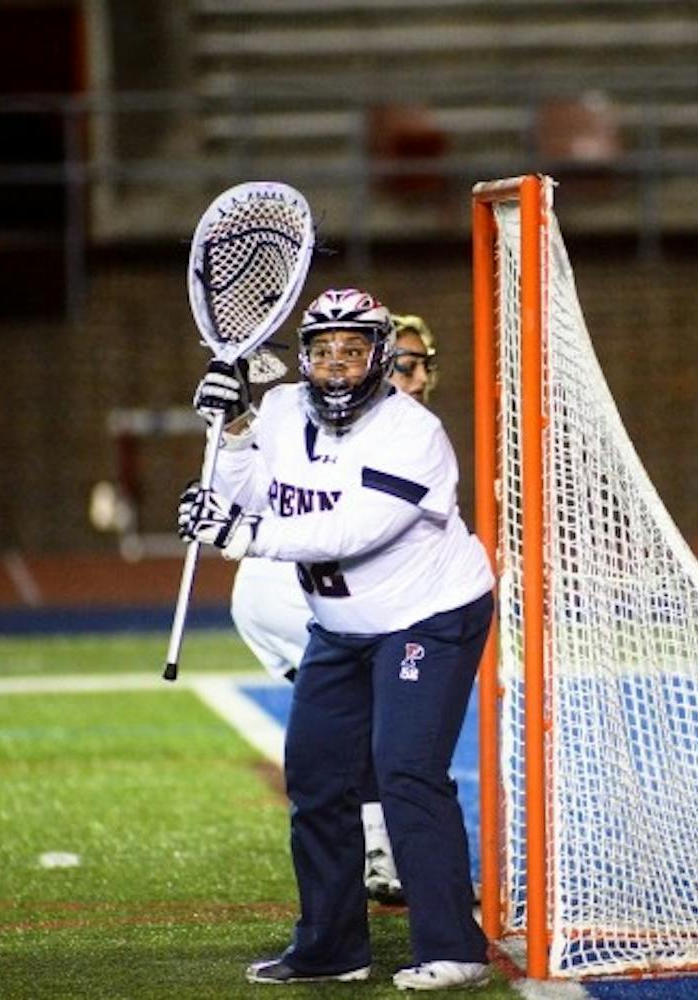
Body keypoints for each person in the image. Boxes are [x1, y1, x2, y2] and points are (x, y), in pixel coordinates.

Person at [178, 288, 494, 991]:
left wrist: (244, 537)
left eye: (353, 350)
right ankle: (331, 947)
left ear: (379, 356)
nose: (337, 366)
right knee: (318, 778)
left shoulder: (413, 433)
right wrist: (231, 433)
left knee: (405, 769)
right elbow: (253, 492)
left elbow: (351, 531)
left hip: (429, 616)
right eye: (322, 351)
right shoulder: (286, 409)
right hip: (341, 627)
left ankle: (455, 948)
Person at [222, 311, 447, 907]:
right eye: (404, 363)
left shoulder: (394, 427)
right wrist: (232, 423)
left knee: (352, 738)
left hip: (304, 588)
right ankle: (379, 853)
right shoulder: (339, 420)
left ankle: (355, 880)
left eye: (422, 363)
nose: (417, 376)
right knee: (381, 732)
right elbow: (333, 525)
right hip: (297, 590)